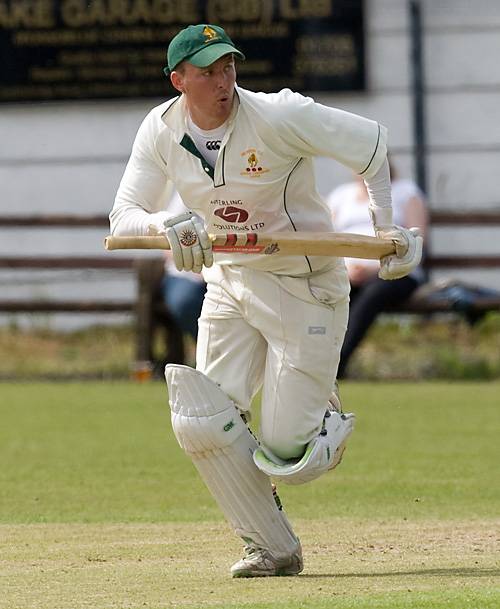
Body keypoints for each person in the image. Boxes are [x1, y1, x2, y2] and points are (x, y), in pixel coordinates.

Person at [110, 23, 422, 578]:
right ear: (178, 80)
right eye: (207, 72)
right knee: (202, 421)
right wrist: (169, 224)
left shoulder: (279, 114)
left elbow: (371, 144)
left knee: (287, 452)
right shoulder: (159, 130)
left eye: (229, 66)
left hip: (304, 283)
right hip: (231, 280)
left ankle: (320, 415)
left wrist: (387, 230)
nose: (223, 81)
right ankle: (271, 548)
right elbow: (125, 215)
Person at [327, 163, 428, 378]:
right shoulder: (341, 196)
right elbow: (326, 241)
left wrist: (373, 268)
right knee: (327, 293)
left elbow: (417, 241)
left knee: (372, 295)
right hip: (346, 273)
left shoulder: (406, 193)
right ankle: (315, 365)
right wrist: (347, 268)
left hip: (396, 273)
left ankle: (336, 366)